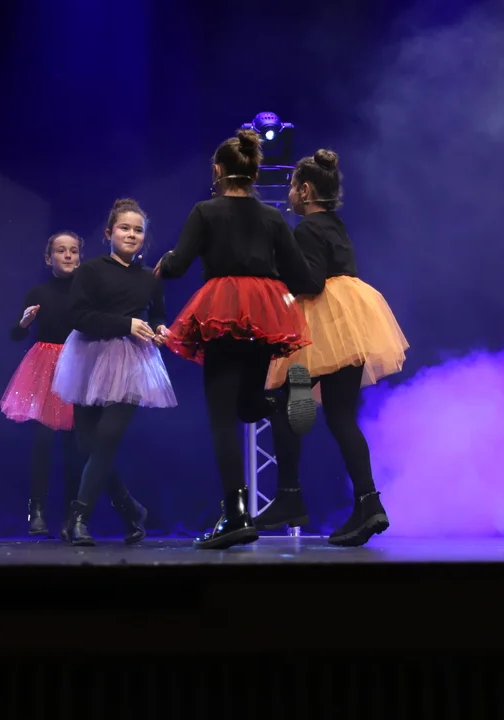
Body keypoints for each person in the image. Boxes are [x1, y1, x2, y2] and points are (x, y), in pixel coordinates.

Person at [156, 129, 319, 550]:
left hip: (223, 309)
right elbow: (302, 276)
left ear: (217, 171)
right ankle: (280, 402)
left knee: (222, 417)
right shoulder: (272, 217)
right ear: (254, 173)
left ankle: (236, 514)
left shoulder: (206, 211)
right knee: (248, 404)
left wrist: (163, 265)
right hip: (264, 311)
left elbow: (179, 264)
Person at [261, 149, 409, 547]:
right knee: (341, 416)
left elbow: (311, 283)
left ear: (305, 191)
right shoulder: (335, 224)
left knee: (279, 399)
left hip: (324, 324)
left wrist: (282, 278)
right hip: (352, 320)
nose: (290, 194)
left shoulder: (306, 229)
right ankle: (369, 502)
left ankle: (289, 495)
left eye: (292, 187)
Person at [51, 198, 177, 546]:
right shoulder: (91, 270)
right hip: (88, 356)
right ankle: (130, 509)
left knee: (106, 439)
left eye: (138, 230)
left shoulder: (149, 278)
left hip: (131, 362)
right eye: (125, 228)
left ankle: (79, 518)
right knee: (87, 445)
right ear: (109, 233)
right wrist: (125, 323)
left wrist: (160, 328)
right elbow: (78, 316)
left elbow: (157, 314)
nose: (132, 234)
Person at [0, 231, 86, 540]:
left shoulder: (86, 291)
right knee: (43, 442)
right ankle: (36, 510)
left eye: (73, 250)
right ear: (49, 258)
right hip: (45, 368)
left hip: (77, 366)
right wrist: (24, 321)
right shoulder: (39, 291)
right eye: (61, 250)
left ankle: (71, 517)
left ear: (80, 257)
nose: (68, 255)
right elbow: (16, 334)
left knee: (75, 447)